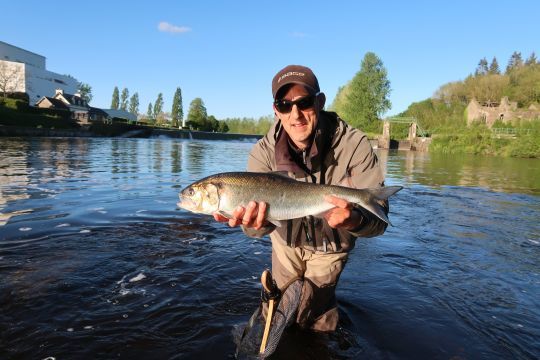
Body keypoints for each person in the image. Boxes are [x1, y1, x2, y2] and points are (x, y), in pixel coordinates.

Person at [214, 64, 389, 332]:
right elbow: (254, 230)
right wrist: (253, 224)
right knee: (277, 314)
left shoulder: (354, 145)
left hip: (331, 251)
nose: (295, 114)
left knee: (318, 321)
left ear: (319, 102)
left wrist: (353, 220)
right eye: (284, 105)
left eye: (304, 102)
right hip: (284, 248)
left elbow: (380, 224)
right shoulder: (262, 153)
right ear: (276, 110)